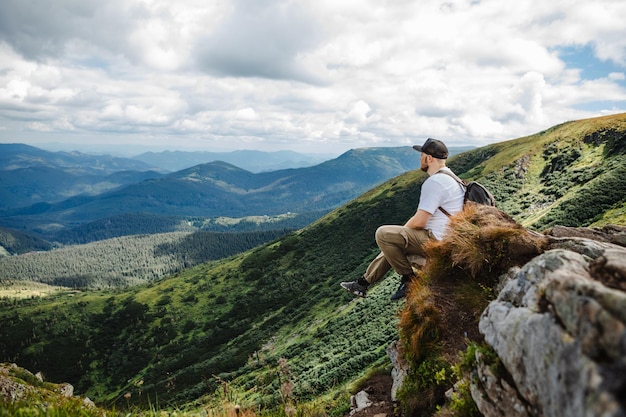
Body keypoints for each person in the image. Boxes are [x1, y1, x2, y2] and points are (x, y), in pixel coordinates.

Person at [340, 138, 465, 301]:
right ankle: (362, 283)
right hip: (446, 238)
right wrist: (402, 233)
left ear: (429, 158)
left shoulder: (435, 182)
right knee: (392, 239)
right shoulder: (452, 178)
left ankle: (408, 279)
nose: (420, 159)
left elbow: (420, 221)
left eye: (422, 155)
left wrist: (402, 232)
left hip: (436, 239)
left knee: (384, 234)